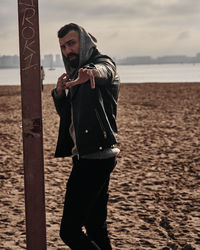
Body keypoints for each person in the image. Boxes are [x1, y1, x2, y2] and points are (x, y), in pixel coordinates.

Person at [51, 23, 120, 250]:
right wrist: (60, 95)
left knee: (69, 231)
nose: (67, 50)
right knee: (95, 226)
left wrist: (92, 72)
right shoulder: (74, 75)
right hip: (91, 156)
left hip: (94, 157)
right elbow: (71, 118)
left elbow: (106, 71)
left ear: (84, 41)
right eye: (63, 46)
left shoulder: (101, 63)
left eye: (71, 43)